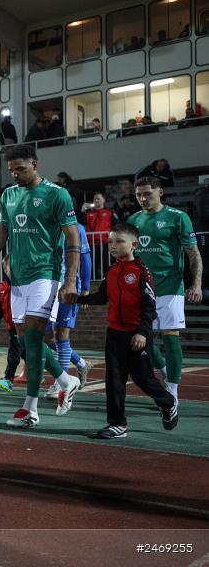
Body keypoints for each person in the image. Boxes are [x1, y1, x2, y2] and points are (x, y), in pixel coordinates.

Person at [0, 145, 82, 429]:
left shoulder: (57, 194)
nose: (16, 175)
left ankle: (29, 409)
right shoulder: (9, 194)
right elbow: (1, 233)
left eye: (21, 169)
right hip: (17, 278)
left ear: (35, 163)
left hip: (46, 274)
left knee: (32, 338)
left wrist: (69, 279)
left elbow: (73, 241)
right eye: (11, 171)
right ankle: (66, 380)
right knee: (24, 342)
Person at [78, 224, 178, 438]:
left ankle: (168, 402)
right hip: (114, 334)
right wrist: (76, 298)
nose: (113, 246)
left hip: (137, 334)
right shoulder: (112, 271)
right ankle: (117, 424)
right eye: (111, 241)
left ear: (134, 245)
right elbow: (102, 297)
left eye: (119, 241)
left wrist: (142, 332)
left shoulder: (142, 272)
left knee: (144, 379)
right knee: (114, 379)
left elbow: (150, 307)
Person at [127, 176, 202, 402]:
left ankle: (172, 389)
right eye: (139, 194)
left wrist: (196, 283)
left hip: (170, 287)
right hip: (142, 289)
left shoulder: (178, 218)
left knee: (170, 338)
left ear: (160, 192)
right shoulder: (133, 220)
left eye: (147, 193)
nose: (142, 198)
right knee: (143, 341)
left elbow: (193, 253)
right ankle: (166, 371)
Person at [44, 221, 93, 398]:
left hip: (68, 286)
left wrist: (86, 289)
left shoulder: (76, 228)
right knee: (46, 338)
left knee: (61, 335)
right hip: (45, 285)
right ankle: (80, 363)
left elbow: (85, 257)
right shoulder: (42, 223)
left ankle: (61, 384)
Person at [0, 256, 23, 392]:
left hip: (21, 324)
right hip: (12, 325)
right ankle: (38, 372)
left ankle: (8, 380)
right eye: (8, 267)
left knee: (14, 353)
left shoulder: (22, 285)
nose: (10, 269)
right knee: (26, 353)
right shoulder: (2, 287)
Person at [84, 192, 119, 279]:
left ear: (104, 200)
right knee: (92, 266)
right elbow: (79, 223)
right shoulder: (88, 213)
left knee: (106, 264)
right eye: (94, 199)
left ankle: (108, 281)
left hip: (105, 243)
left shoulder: (110, 212)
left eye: (98, 198)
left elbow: (117, 226)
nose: (96, 200)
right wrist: (82, 210)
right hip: (91, 244)